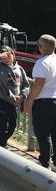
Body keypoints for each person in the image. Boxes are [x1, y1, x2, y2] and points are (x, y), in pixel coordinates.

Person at [0, 46, 30, 148]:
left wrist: (22, 96)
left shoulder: (20, 69)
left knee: (12, 126)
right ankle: (1, 145)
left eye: (7, 56)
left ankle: (1, 142)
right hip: (1, 99)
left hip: (14, 102)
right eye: (3, 57)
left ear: (13, 55)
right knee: (2, 125)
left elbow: (26, 85)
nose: (5, 59)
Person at [24, 34, 56, 169]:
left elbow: (38, 84)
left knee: (43, 134)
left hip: (44, 102)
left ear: (41, 47)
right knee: (55, 133)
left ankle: (44, 162)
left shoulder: (42, 63)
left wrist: (29, 100)